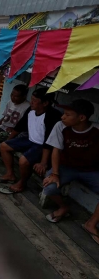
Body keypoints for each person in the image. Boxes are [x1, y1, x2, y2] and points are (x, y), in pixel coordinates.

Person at [41, 100, 99, 235]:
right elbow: (56, 151)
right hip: (66, 167)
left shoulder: (96, 131)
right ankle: (63, 207)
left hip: (91, 170)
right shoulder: (61, 126)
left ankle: (91, 224)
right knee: (49, 188)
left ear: (82, 118)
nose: (62, 117)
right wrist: (55, 173)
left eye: (67, 114)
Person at [0, 88, 61, 194]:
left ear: (45, 103)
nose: (32, 102)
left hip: (42, 145)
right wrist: (8, 140)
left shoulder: (52, 116)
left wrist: (43, 162)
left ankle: (22, 183)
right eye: (32, 99)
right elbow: (19, 126)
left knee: (23, 161)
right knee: (3, 146)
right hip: (30, 139)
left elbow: (49, 142)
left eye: (35, 100)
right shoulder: (31, 110)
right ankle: (10, 174)